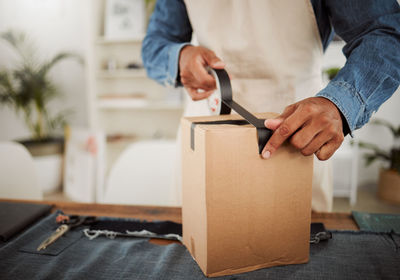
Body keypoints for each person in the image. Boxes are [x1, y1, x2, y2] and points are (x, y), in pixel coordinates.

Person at [141, 0, 400, 211]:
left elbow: (384, 32)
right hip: (207, 124)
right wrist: (179, 56)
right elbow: (155, 44)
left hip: (298, 132)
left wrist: (340, 104)